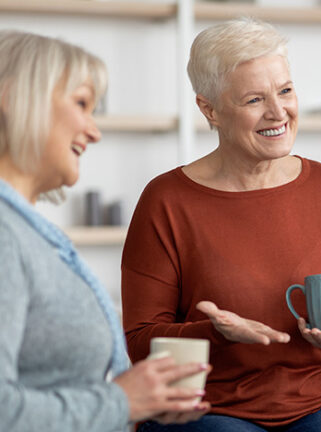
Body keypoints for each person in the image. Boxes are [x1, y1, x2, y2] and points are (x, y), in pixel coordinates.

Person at [121, 18, 321, 432]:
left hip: (316, 403)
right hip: (205, 406)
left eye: (286, 91)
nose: (279, 112)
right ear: (209, 109)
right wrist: (216, 334)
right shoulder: (166, 199)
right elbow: (139, 341)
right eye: (254, 99)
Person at [0, 30, 211, 432]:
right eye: (81, 104)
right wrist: (121, 401)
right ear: (12, 99)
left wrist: (133, 406)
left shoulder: (28, 233)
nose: (94, 131)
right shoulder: (5, 237)